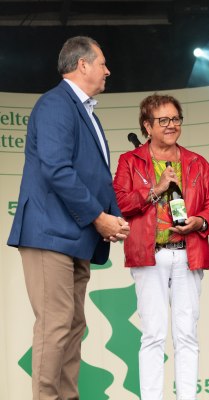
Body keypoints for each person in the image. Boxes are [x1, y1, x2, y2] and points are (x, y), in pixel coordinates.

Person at [7, 36, 130, 400]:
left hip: (75, 237)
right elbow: (57, 170)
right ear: (83, 65)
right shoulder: (56, 105)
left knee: (73, 326)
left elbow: (97, 177)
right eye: (103, 63)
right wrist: (98, 217)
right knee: (56, 325)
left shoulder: (87, 112)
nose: (108, 70)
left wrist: (115, 219)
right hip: (50, 234)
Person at [113, 94, 209, 400]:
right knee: (153, 335)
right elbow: (121, 203)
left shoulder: (197, 163)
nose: (172, 125)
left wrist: (199, 221)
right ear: (147, 126)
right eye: (163, 120)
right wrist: (155, 190)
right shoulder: (129, 161)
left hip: (188, 254)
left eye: (176, 119)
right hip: (150, 256)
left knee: (187, 335)